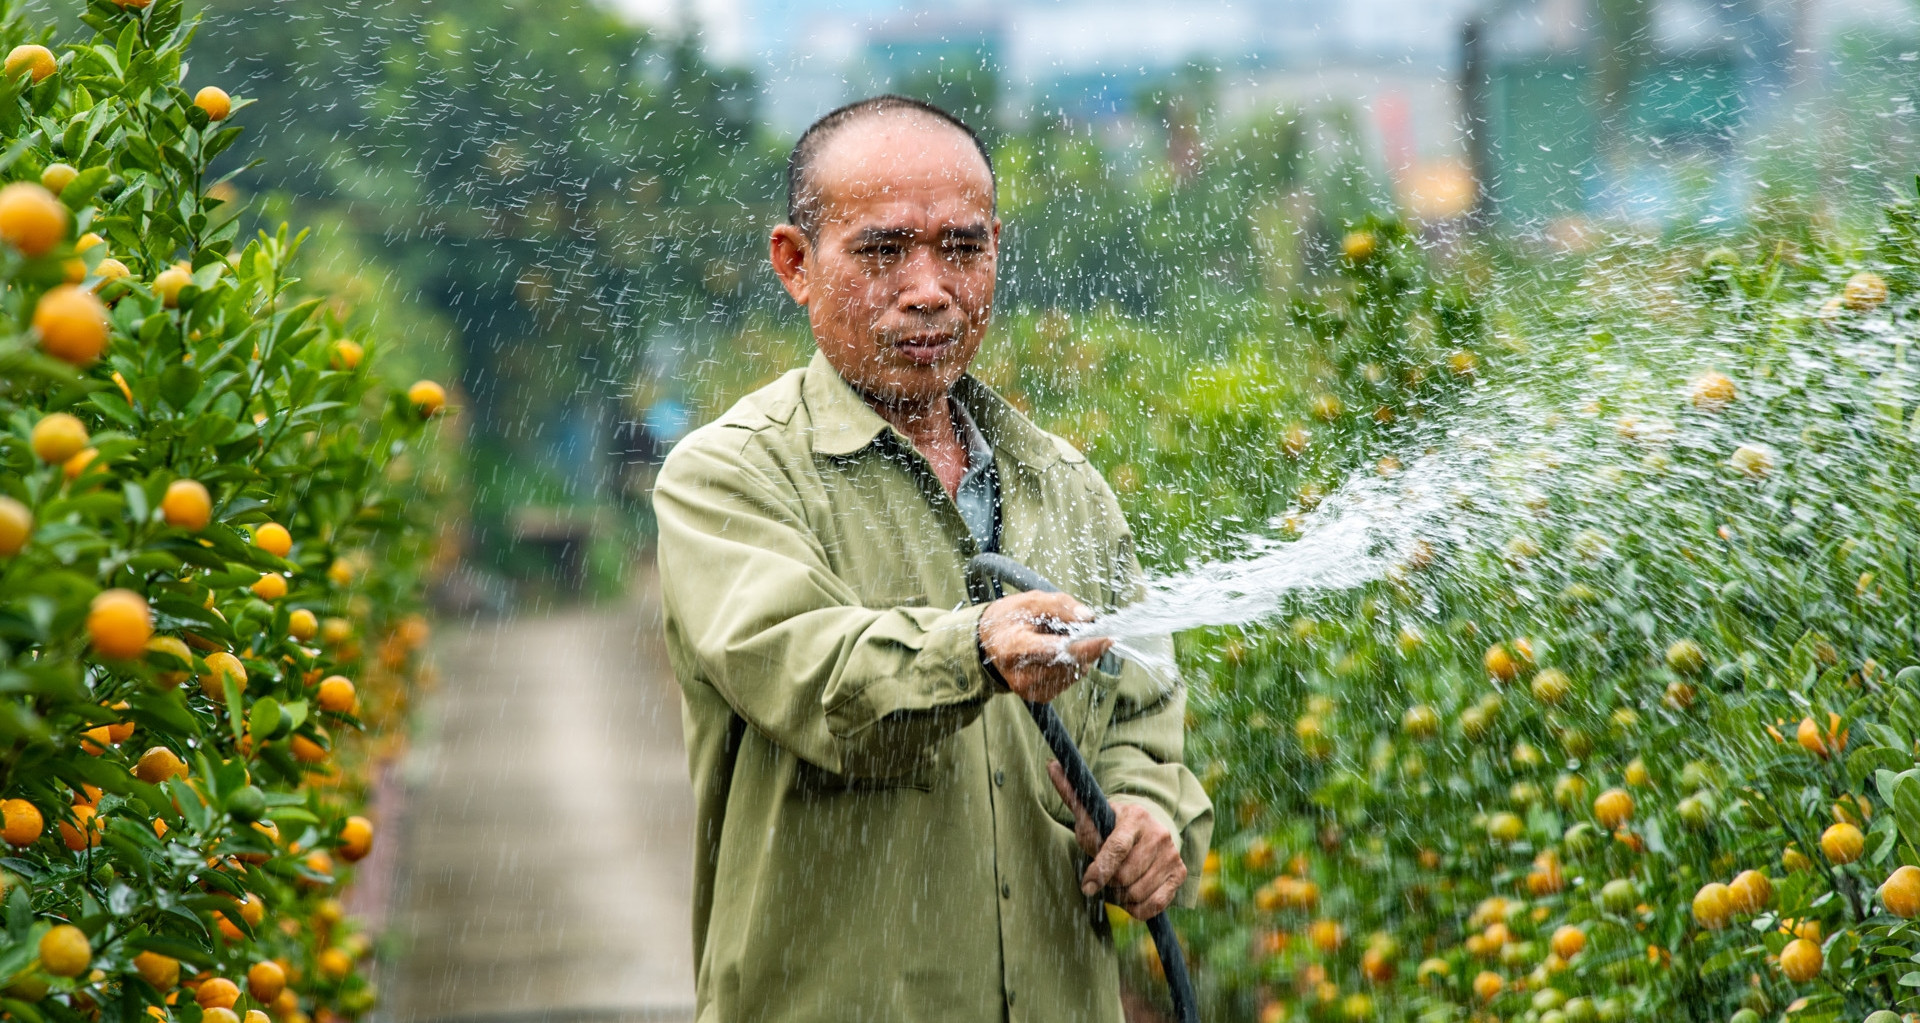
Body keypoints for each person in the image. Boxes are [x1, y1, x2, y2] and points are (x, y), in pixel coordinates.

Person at [653, 95, 1212, 1023]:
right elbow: (811, 676)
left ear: (996, 246)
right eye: (881, 251)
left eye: (961, 247)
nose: (929, 287)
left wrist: (1148, 813)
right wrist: (975, 649)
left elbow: (1144, 711)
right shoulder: (730, 477)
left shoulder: (1064, 485)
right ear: (795, 263)